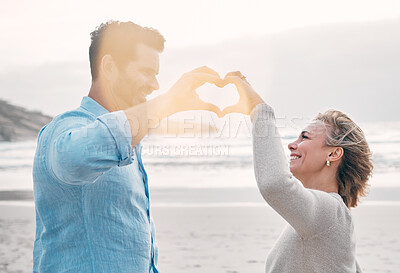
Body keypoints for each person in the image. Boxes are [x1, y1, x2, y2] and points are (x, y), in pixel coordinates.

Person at [31, 20, 224, 273]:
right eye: (146, 72)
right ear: (109, 67)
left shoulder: (131, 140)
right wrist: (168, 102)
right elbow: (73, 160)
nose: (155, 85)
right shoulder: (64, 128)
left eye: (156, 75)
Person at [221, 71, 373, 272]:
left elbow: (274, 184)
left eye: (305, 138)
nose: (292, 145)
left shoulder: (329, 214)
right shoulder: (329, 220)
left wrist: (260, 111)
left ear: (334, 153)